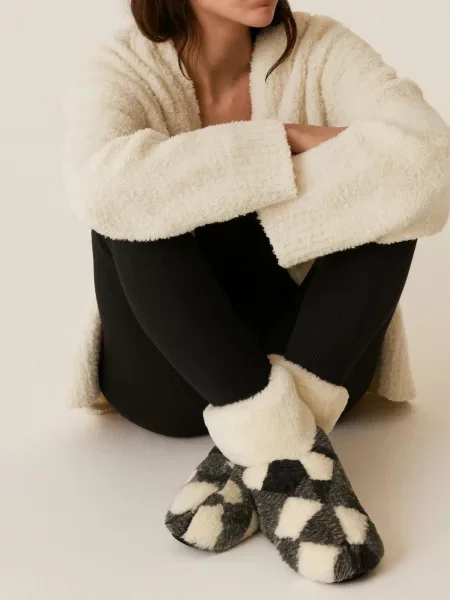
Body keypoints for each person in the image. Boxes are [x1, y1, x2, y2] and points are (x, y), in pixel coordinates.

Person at [61, 0, 450, 584]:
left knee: (396, 200)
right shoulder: (123, 66)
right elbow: (103, 186)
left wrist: (209, 179)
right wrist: (282, 142)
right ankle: (288, 448)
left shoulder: (322, 47)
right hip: (166, 377)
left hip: (316, 359)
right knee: (131, 211)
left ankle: (268, 444)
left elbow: (429, 159)